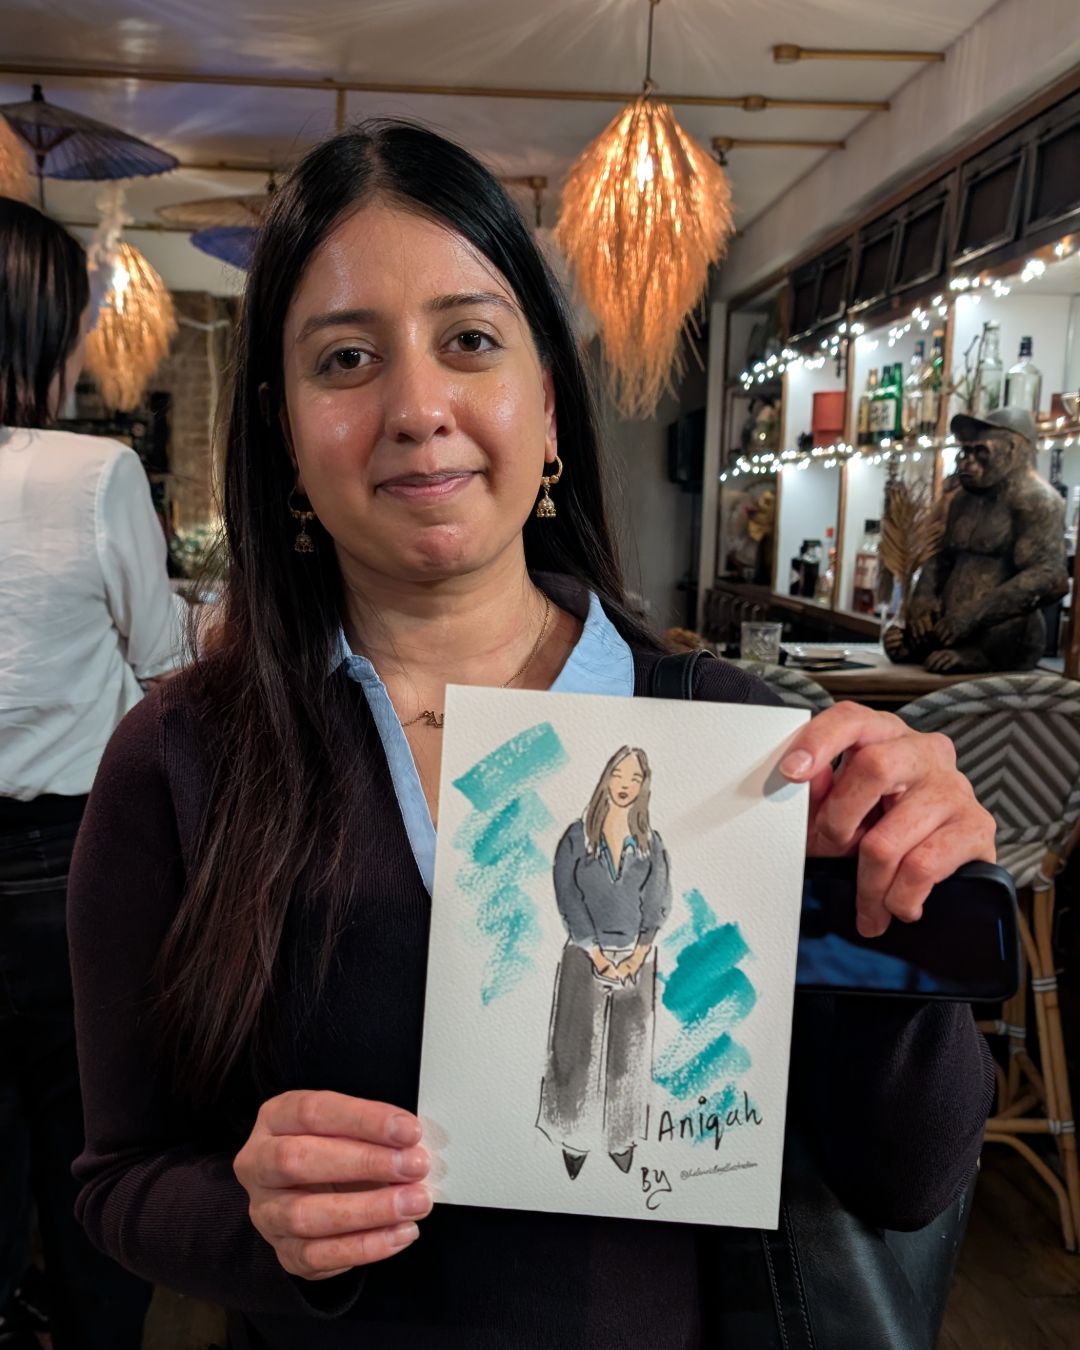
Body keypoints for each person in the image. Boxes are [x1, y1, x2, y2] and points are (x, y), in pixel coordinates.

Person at [67, 123, 996, 1349]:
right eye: (346, 358)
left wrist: (913, 891)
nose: (416, 408)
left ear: (546, 404)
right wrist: (257, 1215)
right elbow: (119, 1177)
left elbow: (908, 1172)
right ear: (284, 430)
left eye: (470, 341)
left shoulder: (744, 752)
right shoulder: (180, 759)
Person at [0, 197, 173, 1348]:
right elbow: (167, 667)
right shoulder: (91, 471)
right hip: (62, 874)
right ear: (46, 336)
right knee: (91, 1159)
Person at [538, 746, 670, 1177]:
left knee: (628, 1057)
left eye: (635, 778)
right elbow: (567, 896)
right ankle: (571, 1137)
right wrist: (595, 952)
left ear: (644, 785)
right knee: (574, 1052)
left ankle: (621, 1139)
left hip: (636, 959)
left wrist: (636, 956)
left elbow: (657, 903)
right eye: (618, 774)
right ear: (605, 778)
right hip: (583, 955)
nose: (625, 785)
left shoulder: (652, 844)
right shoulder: (578, 836)